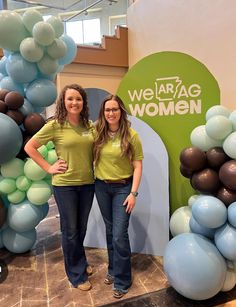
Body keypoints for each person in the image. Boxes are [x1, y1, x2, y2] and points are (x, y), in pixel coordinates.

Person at [24, 84, 95, 291]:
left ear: (83, 102)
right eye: (70, 99)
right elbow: (30, 147)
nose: (75, 103)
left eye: (78, 99)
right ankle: (76, 275)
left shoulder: (88, 125)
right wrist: (49, 167)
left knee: (81, 229)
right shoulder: (55, 125)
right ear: (63, 102)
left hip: (87, 184)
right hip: (65, 186)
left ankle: (80, 261)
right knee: (70, 231)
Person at [93, 95, 143, 299]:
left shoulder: (132, 135)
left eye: (115, 109)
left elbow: (138, 165)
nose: (111, 113)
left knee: (119, 235)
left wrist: (133, 193)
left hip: (123, 188)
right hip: (101, 187)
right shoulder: (98, 133)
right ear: (103, 113)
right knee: (110, 230)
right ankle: (113, 270)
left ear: (121, 111)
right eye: (107, 110)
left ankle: (123, 280)